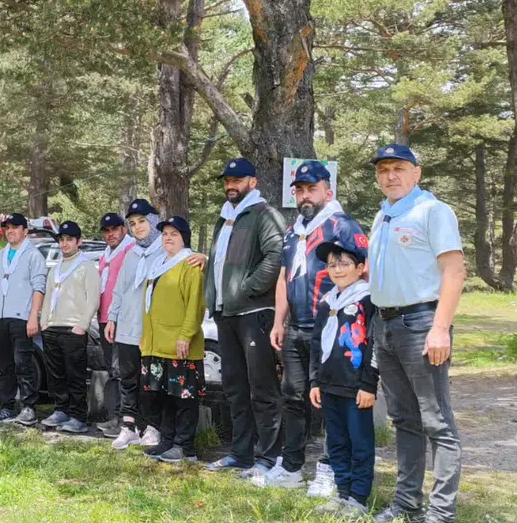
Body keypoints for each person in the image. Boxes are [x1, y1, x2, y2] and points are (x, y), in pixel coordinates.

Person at [366, 145, 465, 523]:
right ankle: (408, 505)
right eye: (383, 170)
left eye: (399, 168)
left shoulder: (432, 211)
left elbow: (454, 271)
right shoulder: (383, 215)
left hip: (421, 323)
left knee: (436, 421)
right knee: (404, 419)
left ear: (417, 173)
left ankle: (441, 517)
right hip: (386, 324)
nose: (391, 175)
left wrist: (440, 328)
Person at [262, 161, 367, 493]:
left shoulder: (342, 226)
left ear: (328, 191)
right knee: (293, 397)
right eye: (300, 190)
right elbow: (284, 277)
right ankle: (291, 468)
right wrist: (279, 321)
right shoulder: (293, 231)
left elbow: (363, 272)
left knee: (331, 401)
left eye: (312, 189)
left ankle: (331, 470)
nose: (305, 196)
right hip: (296, 327)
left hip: (332, 328)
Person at [203, 158, 286, 478]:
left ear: (253, 182)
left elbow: (276, 256)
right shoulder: (224, 217)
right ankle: (241, 454)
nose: (231, 185)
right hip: (226, 313)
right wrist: (214, 297)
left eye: (237, 180)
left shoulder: (264, 214)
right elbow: (218, 262)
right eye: (227, 180)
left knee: (262, 388)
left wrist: (247, 289)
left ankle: (270, 457)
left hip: (254, 313)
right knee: (235, 387)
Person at [308, 240, 378, 518]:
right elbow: (316, 343)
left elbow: (373, 344)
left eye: (344, 264)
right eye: (332, 265)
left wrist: (368, 384)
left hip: (356, 385)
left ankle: (358, 498)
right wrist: (314, 381)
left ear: (360, 268)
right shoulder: (327, 302)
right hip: (328, 383)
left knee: (360, 442)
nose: (337, 269)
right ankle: (343, 492)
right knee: (336, 441)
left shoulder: (369, 299)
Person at [139, 216, 206, 463]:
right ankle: (167, 440)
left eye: (174, 234)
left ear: (184, 238)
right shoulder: (158, 265)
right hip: (158, 344)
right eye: (165, 233)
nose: (168, 238)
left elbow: (195, 305)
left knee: (183, 397)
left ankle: (184, 445)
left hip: (180, 344)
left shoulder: (190, 264)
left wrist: (185, 335)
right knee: (164, 395)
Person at [107, 199, 165, 450]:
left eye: (142, 221)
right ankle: (129, 427)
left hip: (152, 329)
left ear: (152, 221)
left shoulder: (164, 250)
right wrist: (112, 317)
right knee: (128, 379)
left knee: (150, 380)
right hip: (127, 327)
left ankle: (152, 426)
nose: (137, 227)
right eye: (132, 224)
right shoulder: (131, 253)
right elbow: (119, 289)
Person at [0, 213, 45, 425]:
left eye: (15, 227)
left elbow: (39, 288)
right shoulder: (0, 255)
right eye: (7, 227)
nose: (10, 231)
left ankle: (29, 408)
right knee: (4, 365)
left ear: (25, 231)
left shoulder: (33, 255)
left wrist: (33, 316)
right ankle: (6, 407)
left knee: (23, 364)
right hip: (1, 317)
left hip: (22, 318)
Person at [39, 221, 101, 434]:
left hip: (73, 328)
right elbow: (48, 297)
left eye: (69, 239)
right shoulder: (55, 269)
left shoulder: (86, 267)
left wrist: (82, 325)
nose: (65, 244)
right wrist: (44, 323)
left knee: (75, 375)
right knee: (56, 374)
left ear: (79, 241)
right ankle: (61, 410)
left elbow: (93, 299)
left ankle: (78, 415)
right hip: (52, 327)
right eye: (62, 240)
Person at [94, 212, 134, 436]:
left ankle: (125, 420)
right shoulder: (105, 255)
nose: (110, 234)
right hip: (104, 318)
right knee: (112, 370)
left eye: (115, 229)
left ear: (123, 230)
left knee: (122, 371)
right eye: (106, 231)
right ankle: (114, 415)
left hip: (121, 318)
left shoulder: (130, 250)